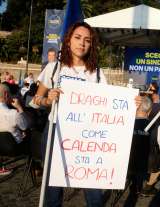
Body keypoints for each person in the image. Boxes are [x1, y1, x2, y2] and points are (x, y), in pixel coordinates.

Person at [33, 22, 108, 207]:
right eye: (77, 37)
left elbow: (108, 105)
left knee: (93, 191)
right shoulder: (54, 68)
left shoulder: (97, 74)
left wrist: (132, 103)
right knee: (52, 192)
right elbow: (36, 99)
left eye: (87, 40)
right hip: (55, 130)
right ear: (68, 41)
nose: (82, 43)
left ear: (91, 45)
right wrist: (48, 100)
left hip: (86, 135)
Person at [0, 83, 30, 175]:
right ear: (5, 94)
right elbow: (25, 126)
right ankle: (36, 165)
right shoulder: (13, 113)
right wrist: (19, 108)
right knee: (30, 134)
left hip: (3, 146)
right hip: (13, 149)